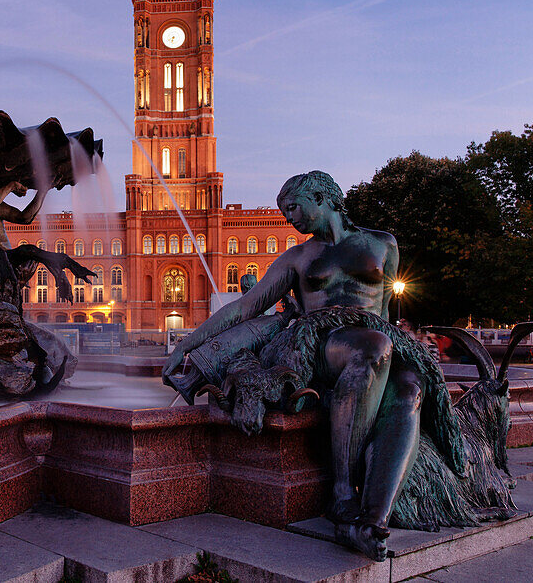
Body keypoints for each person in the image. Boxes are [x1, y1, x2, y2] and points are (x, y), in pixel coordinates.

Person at [162, 171, 465, 561]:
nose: (291, 219)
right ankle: (341, 494)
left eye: (293, 208)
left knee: (409, 387)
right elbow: (245, 305)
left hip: (376, 336)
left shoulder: (383, 244)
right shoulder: (298, 257)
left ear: (321, 197)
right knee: (373, 348)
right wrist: (186, 344)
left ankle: (372, 521)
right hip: (320, 341)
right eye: (285, 213)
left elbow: (386, 309)